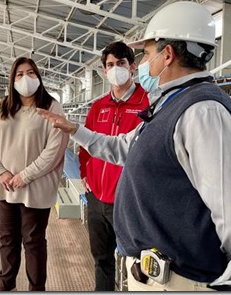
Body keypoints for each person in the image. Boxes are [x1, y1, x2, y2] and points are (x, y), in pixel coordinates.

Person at [36, 1, 231, 291]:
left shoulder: (204, 112)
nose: (143, 62)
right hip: (156, 273)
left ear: (167, 55)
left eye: (147, 53)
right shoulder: (169, 104)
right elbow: (122, 148)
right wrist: (75, 129)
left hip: (181, 279)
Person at [0, 57, 69, 291]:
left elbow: (54, 150)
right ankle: (6, 286)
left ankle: (36, 289)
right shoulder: (1, 106)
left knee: (33, 243)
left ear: (38, 76)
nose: (25, 78)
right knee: (7, 241)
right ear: (12, 80)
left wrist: (25, 176)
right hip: (5, 188)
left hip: (36, 189)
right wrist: (1, 172)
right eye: (19, 74)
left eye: (30, 72)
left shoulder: (51, 107)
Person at [79, 41, 148, 291]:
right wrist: (85, 174)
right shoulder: (98, 107)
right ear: (104, 70)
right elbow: (85, 146)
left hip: (129, 201)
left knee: (137, 265)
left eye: (120, 63)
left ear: (133, 67)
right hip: (97, 198)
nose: (115, 69)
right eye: (110, 65)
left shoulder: (146, 103)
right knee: (102, 260)